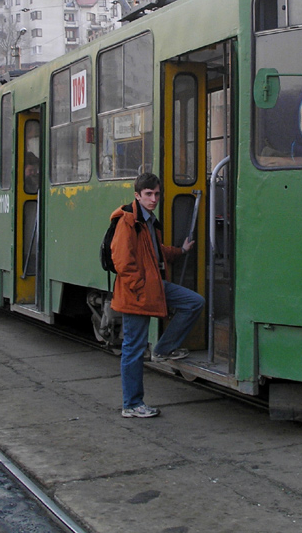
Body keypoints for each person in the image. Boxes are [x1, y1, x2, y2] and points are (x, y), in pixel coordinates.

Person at [109, 172, 204, 418]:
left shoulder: (149, 220)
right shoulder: (128, 222)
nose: (154, 199)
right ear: (137, 196)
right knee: (134, 348)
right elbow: (122, 261)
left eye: (156, 194)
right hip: (136, 293)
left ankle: (163, 349)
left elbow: (154, 251)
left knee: (194, 302)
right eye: (148, 194)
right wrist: (140, 287)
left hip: (154, 286)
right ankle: (131, 404)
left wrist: (179, 251)